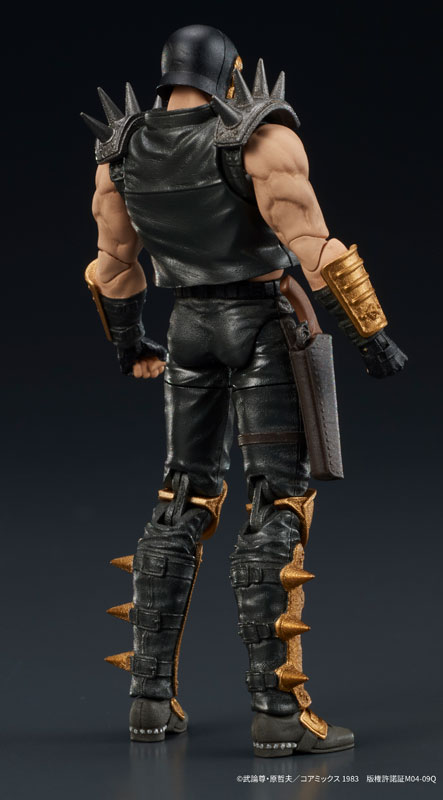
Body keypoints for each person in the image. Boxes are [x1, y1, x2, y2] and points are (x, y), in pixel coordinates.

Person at [82, 24, 406, 757]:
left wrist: (131, 344)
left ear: (167, 75)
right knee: (277, 500)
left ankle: (149, 702)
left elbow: (113, 264)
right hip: (259, 323)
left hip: (187, 328)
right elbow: (313, 245)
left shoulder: (122, 150)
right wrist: (372, 337)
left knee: (183, 495)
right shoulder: (259, 138)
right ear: (230, 74)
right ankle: (278, 712)